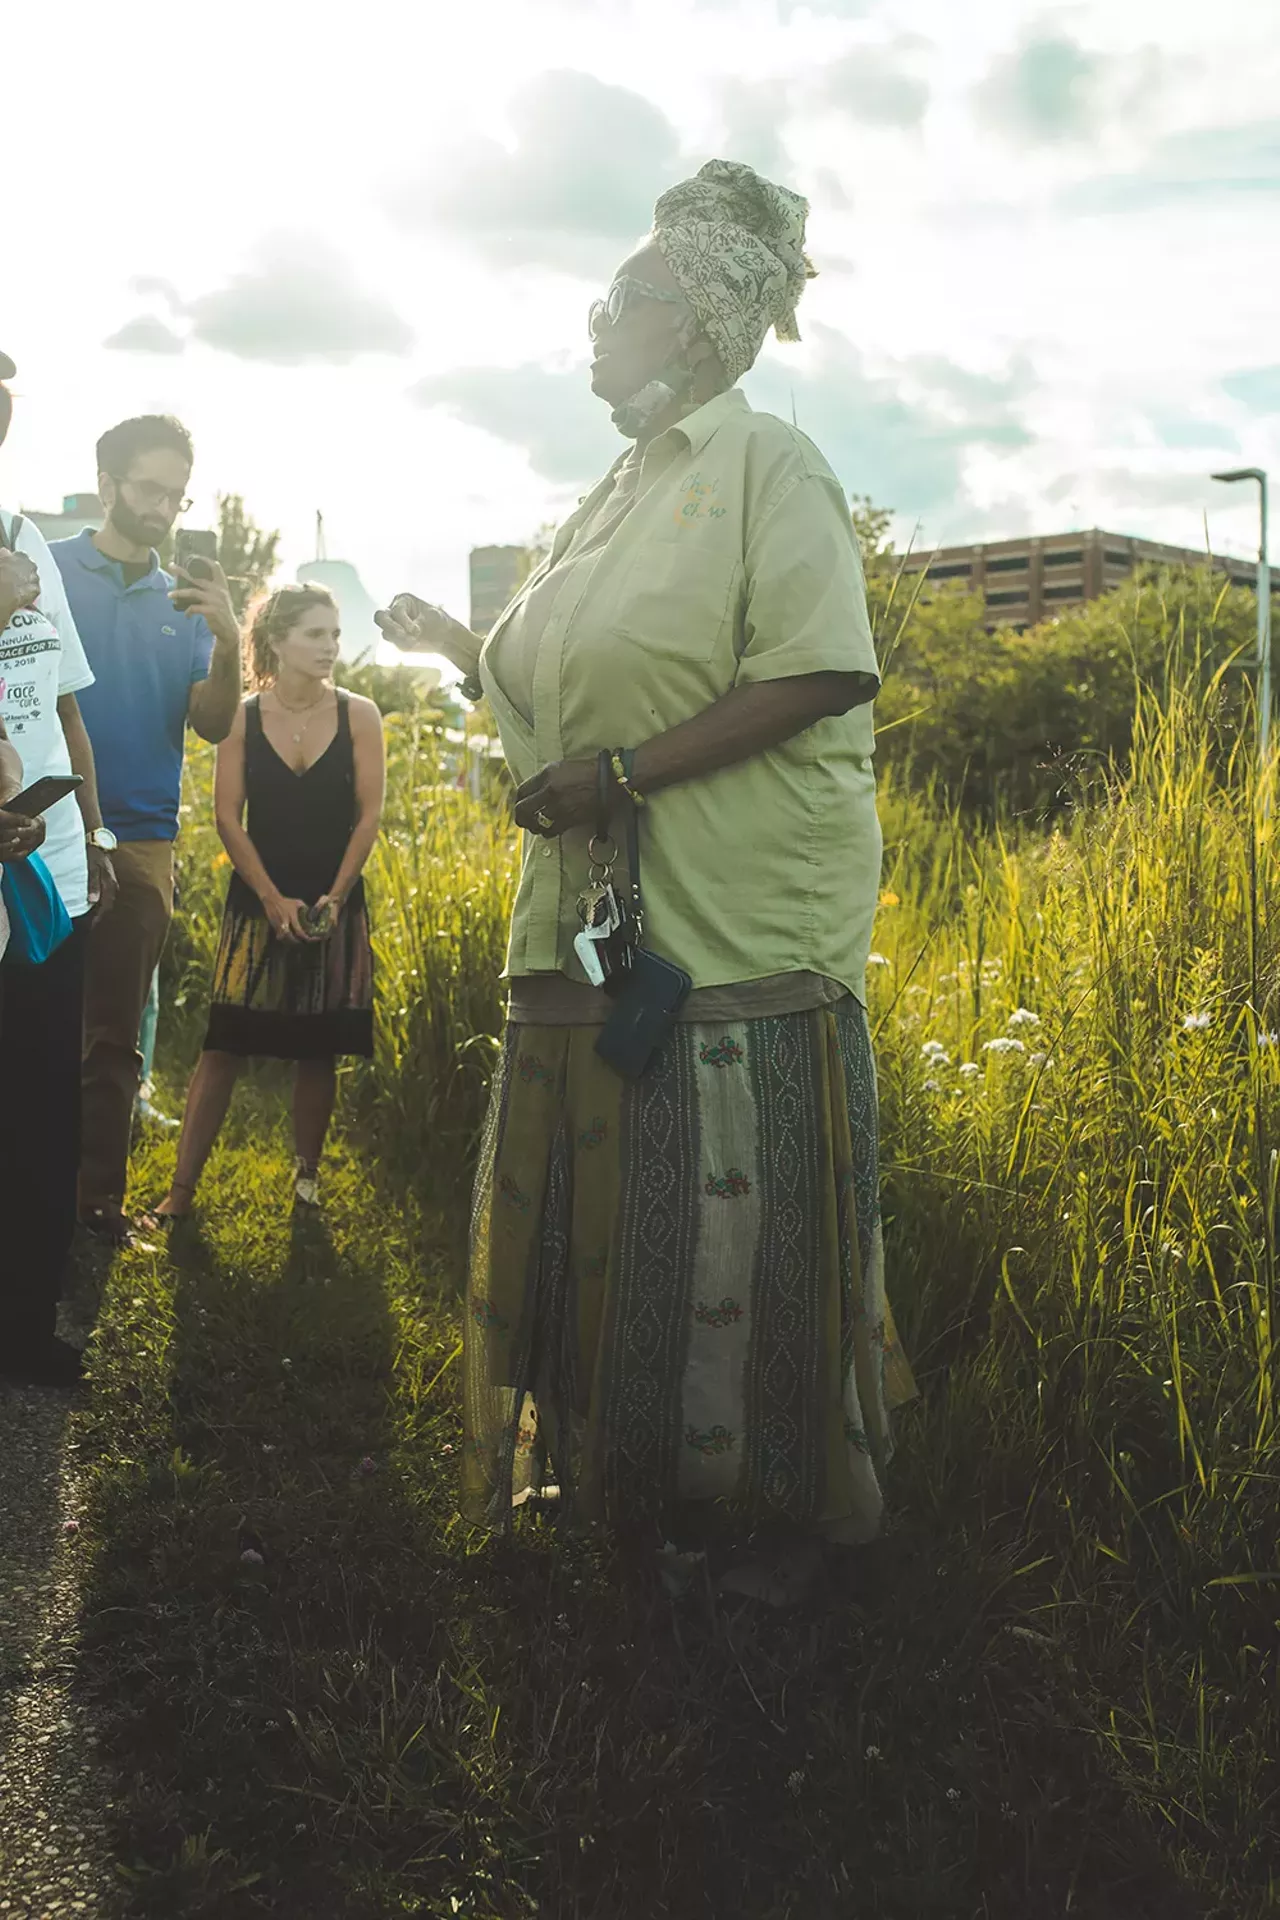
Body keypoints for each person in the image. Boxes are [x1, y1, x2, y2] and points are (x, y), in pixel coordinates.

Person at [378, 160, 916, 1603]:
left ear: (688, 319)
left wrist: (618, 779)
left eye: (617, 297)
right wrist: (469, 654)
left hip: (735, 920)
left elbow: (817, 669)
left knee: (730, 1213)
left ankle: (774, 1528)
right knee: (614, 1213)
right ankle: (629, 1487)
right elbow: (561, 682)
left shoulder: (765, 467)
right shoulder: (610, 490)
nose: (593, 320)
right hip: (591, 925)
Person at [50, 415, 243, 1244]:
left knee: (113, 1033)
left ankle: (95, 1202)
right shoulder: (46, 572)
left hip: (140, 839)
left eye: (177, 493)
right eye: (150, 489)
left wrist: (231, 638)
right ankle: (26, 1187)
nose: (165, 507)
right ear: (107, 485)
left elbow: (210, 722)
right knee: (30, 1015)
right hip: (40, 826)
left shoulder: (187, 603)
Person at [152, 586, 384, 1220]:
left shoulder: (360, 713)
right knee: (223, 1043)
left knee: (319, 1047)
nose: (331, 647)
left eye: (335, 634)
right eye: (316, 634)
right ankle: (179, 1196)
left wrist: (334, 899)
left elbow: (368, 818)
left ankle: (306, 1188)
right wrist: (271, 898)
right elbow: (228, 818)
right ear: (277, 640)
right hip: (258, 895)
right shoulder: (243, 717)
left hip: (334, 897)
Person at [0, 349, 118, 1387]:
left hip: (51, 872)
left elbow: (66, 702)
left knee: (43, 1098)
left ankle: (29, 1323)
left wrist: (98, 832)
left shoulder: (23, 535)